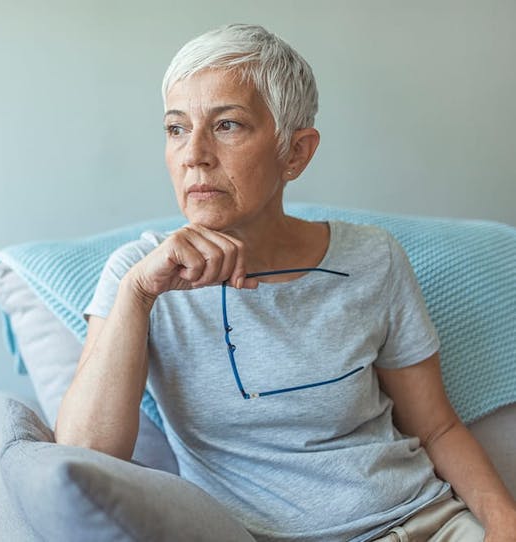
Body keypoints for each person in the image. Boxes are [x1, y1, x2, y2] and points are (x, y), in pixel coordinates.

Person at [54, 23, 516, 542]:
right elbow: (84, 460)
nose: (194, 154)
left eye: (226, 125)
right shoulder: (137, 275)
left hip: (426, 521)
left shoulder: (373, 257)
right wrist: (138, 296)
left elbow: (436, 427)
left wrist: (503, 523)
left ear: (295, 152)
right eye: (177, 128)